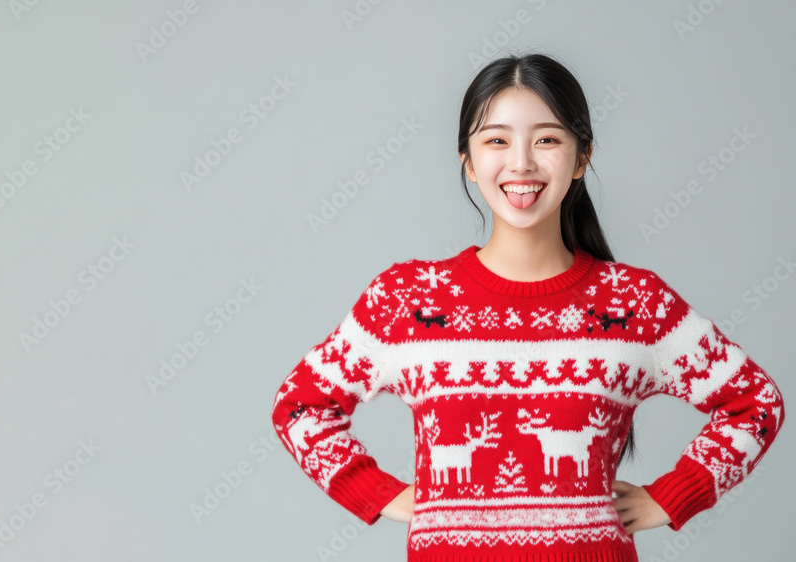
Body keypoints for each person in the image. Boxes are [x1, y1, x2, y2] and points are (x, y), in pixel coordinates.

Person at [270, 51, 784, 561]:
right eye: (496, 140)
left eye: (547, 140)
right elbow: (300, 406)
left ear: (581, 157)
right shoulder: (406, 299)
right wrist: (376, 492)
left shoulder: (634, 303)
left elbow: (755, 403)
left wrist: (671, 497)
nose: (521, 163)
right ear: (468, 162)